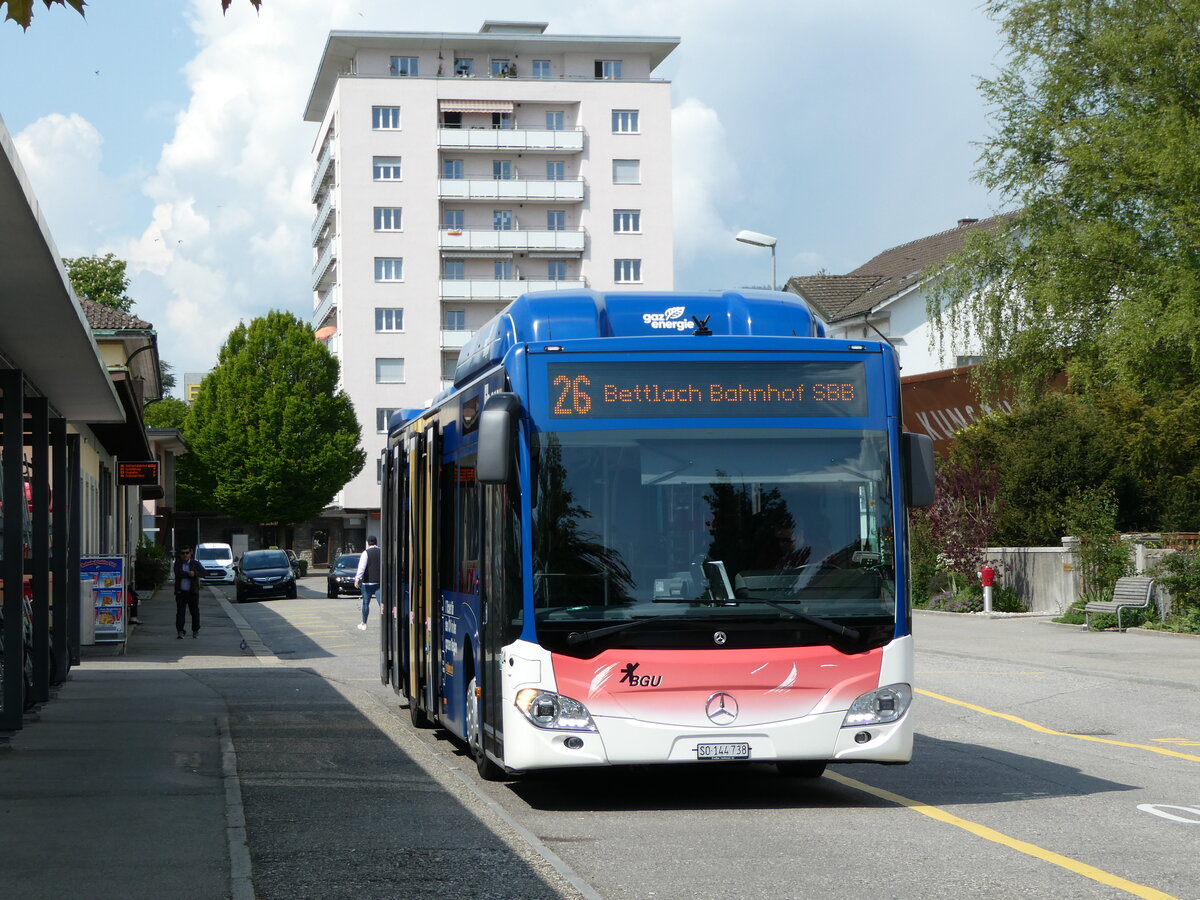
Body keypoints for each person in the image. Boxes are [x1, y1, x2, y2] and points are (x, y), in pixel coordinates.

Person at [173, 547, 203, 639]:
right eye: (183, 553)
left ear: (190, 554)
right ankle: (180, 631)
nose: (185, 555)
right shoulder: (178, 564)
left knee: (194, 612)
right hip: (181, 593)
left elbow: (204, 572)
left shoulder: (195, 563)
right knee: (180, 612)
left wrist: (195, 574)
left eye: (187, 553)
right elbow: (178, 573)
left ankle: (195, 630)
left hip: (192, 592)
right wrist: (188, 574)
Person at [354, 535, 381, 631]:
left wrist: (357, 579)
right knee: (382, 603)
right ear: (376, 542)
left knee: (366, 603)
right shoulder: (381, 552)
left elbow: (362, 567)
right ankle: (387, 622)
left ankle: (364, 623)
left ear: (368, 543)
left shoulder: (366, 553)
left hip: (367, 583)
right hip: (379, 582)